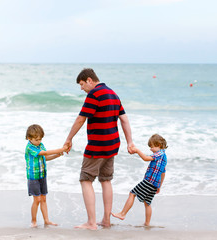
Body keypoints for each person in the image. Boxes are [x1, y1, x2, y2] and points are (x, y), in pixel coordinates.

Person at [64, 68, 134, 230]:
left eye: (82, 84)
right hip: (112, 144)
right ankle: (106, 220)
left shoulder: (94, 94)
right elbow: (124, 119)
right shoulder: (113, 93)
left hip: (97, 144)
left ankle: (91, 222)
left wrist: (69, 139)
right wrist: (129, 141)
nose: (82, 88)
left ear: (89, 80)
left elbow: (81, 118)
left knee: (85, 179)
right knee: (106, 179)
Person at [112, 134, 167, 226]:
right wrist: (159, 186)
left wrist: (137, 150)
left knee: (132, 193)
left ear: (159, 145)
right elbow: (163, 173)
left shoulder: (159, 154)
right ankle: (147, 223)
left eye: (152, 147)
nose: (150, 149)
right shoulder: (164, 157)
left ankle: (122, 214)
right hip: (155, 184)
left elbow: (146, 158)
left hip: (149, 181)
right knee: (147, 203)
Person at [25, 124, 67, 228]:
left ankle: (46, 220)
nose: (39, 141)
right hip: (33, 177)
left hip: (42, 175)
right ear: (29, 138)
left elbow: (45, 157)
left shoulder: (40, 145)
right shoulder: (30, 147)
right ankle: (33, 221)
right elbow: (45, 152)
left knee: (43, 198)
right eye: (36, 139)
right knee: (37, 199)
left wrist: (57, 155)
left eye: (40, 139)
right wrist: (61, 149)